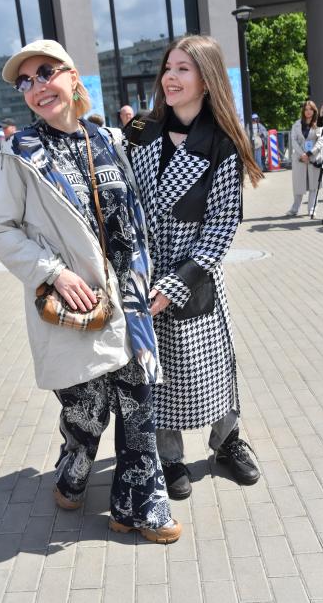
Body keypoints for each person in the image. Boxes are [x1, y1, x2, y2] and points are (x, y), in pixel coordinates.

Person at [0, 39, 181, 544]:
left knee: (139, 404)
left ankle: (137, 507)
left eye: (45, 73)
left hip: (130, 298)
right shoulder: (20, 153)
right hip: (77, 303)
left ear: (73, 78)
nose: (35, 87)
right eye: (24, 82)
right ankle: (73, 470)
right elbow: (1, 229)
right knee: (86, 410)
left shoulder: (110, 140)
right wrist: (53, 273)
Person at [124, 35, 263, 500]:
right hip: (146, 273)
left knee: (212, 363)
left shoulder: (220, 142)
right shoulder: (142, 132)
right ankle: (169, 456)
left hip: (194, 274)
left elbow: (222, 225)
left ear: (207, 79)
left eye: (183, 68)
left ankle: (227, 442)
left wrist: (180, 280)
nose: (170, 76)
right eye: (168, 67)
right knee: (155, 371)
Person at [287, 100, 323, 218]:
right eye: (306, 109)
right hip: (299, 158)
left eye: (310, 109)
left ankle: (312, 209)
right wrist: (302, 154)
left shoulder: (319, 124)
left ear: (314, 111)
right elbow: (294, 141)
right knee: (299, 185)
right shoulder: (296, 124)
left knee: (314, 185)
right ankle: (294, 209)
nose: (308, 112)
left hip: (313, 158)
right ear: (303, 111)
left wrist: (309, 153)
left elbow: (321, 141)